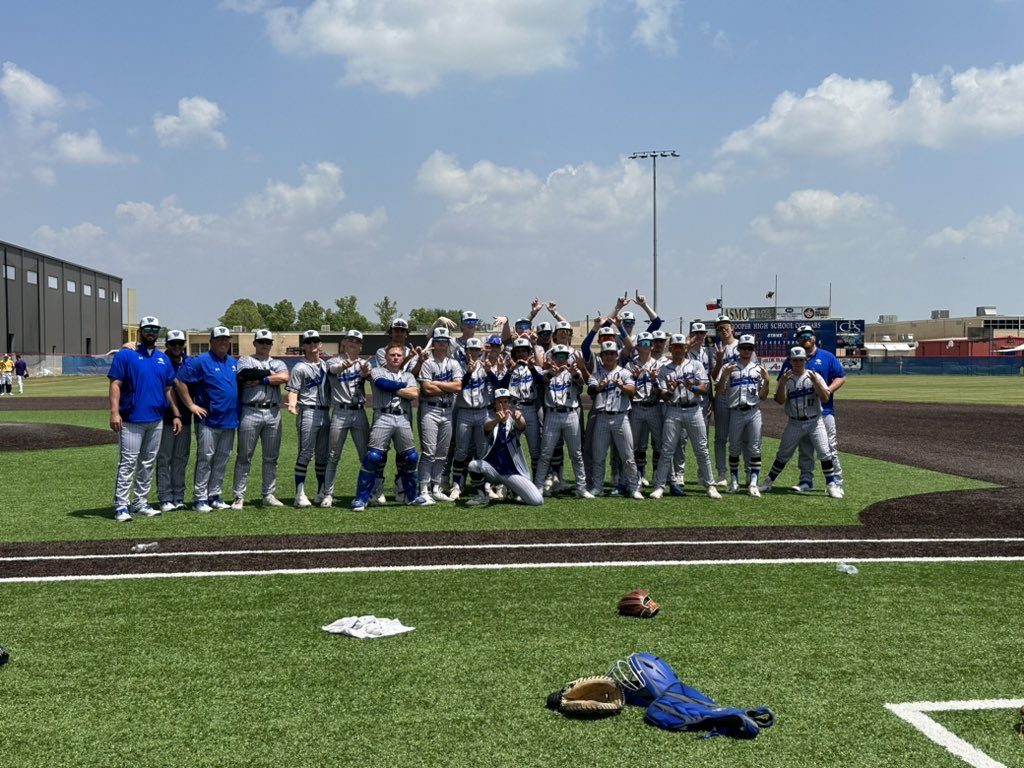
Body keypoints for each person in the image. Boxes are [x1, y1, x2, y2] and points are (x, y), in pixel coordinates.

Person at [108, 316, 181, 522]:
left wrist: (176, 413)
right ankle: (122, 505)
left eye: (155, 329)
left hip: (156, 419)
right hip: (131, 419)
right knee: (128, 462)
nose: (151, 332)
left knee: (148, 463)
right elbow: (115, 384)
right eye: (147, 328)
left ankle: (140, 502)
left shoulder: (163, 359)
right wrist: (115, 412)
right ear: (140, 331)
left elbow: (168, 389)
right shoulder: (125, 356)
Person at [351, 343, 430, 511]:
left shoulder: (408, 375)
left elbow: (414, 394)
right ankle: (361, 498)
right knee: (373, 457)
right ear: (386, 357)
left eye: (398, 355)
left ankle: (411, 495)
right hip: (383, 416)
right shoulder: (378, 371)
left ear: (402, 358)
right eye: (392, 355)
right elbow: (382, 384)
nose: (395, 358)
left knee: (411, 457)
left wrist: (398, 389)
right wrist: (403, 389)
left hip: (402, 417)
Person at [759, 346, 844, 498]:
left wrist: (817, 383)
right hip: (795, 423)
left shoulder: (814, 375)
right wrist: (783, 383)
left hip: (815, 421)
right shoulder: (786, 378)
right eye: (795, 360)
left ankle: (831, 484)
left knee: (825, 452)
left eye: (800, 360)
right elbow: (779, 400)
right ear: (790, 361)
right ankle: (768, 481)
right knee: (783, 453)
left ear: (805, 360)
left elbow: (825, 398)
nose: (798, 363)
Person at [174, 326, 240, 512]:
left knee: (222, 459)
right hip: (209, 420)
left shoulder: (233, 362)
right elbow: (179, 381)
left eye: (226, 339)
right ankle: (200, 498)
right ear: (211, 342)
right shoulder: (201, 361)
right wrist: (191, 405)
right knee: (205, 459)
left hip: (229, 420)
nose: (223, 342)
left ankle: (215, 495)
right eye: (219, 339)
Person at [649, 334, 721, 500]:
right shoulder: (664, 369)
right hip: (673, 409)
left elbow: (705, 388)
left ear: (685, 348)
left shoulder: (695, 365)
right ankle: (660, 486)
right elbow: (663, 396)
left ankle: (710, 485)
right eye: (675, 347)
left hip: (694, 409)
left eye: (681, 347)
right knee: (667, 450)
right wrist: (670, 390)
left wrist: (693, 388)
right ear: (671, 348)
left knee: (701, 449)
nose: (678, 350)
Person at [783, 325, 847, 493]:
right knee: (804, 448)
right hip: (801, 413)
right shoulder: (792, 358)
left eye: (808, 335)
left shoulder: (826, 356)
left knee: (830, 448)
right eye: (802, 336)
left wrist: (828, 390)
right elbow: (784, 384)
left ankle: (836, 483)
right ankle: (806, 480)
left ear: (814, 337)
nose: (806, 338)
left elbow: (841, 376)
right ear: (797, 339)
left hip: (824, 411)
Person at [231, 329, 290, 509]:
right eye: (261, 342)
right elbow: (245, 374)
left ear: (271, 344)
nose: (264, 345)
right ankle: (239, 496)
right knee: (244, 456)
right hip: (251, 411)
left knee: (271, 457)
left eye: (267, 342)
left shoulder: (278, 362)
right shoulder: (245, 359)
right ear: (255, 343)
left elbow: (284, 377)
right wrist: (268, 374)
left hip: (273, 412)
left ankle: (268, 494)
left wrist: (261, 379)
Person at [466, 388, 544, 507]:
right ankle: (482, 496)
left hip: (511, 473)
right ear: (494, 404)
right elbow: (486, 427)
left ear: (510, 403)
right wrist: (497, 420)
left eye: (506, 402)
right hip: (492, 470)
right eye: (500, 402)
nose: (503, 405)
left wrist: (519, 419)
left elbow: (522, 426)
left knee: (537, 501)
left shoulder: (514, 419)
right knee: (473, 465)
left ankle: (514, 489)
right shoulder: (490, 418)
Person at [321, 329, 372, 508]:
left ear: (360, 346)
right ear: (343, 343)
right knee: (333, 455)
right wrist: (345, 365)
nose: (353, 343)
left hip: (359, 411)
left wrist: (365, 372)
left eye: (357, 341)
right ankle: (328, 494)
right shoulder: (333, 361)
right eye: (350, 340)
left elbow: (367, 375)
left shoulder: (364, 363)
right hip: (340, 412)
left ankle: (369, 492)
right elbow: (333, 369)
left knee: (365, 455)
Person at [533, 344, 592, 498]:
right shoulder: (548, 371)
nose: (561, 359)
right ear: (552, 358)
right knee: (546, 453)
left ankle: (581, 487)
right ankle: (539, 486)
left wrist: (575, 374)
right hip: (552, 414)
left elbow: (581, 382)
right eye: (558, 356)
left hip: (570, 413)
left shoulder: (573, 371)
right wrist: (552, 373)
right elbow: (542, 380)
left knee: (576, 454)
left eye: (563, 356)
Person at [587, 341, 642, 498]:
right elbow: (591, 389)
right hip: (602, 417)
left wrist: (622, 387)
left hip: (620, 417)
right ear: (602, 356)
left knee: (628, 456)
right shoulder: (597, 374)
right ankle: (598, 487)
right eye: (606, 354)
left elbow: (632, 390)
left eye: (612, 353)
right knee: (598, 456)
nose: (609, 356)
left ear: (617, 356)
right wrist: (599, 387)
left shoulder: (624, 372)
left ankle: (634, 487)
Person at [717, 334, 769, 496]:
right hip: (736, 412)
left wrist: (767, 381)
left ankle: (753, 482)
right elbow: (719, 391)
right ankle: (734, 481)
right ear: (738, 349)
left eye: (750, 348)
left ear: (753, 350)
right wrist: (724, 376)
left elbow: (763, 396)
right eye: (744, 348)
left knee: (754, 447)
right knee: (734, 447)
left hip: (753, 411)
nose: (746, 351)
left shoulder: (758, 369)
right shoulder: (729, 367)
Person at [286, 329, 332, 508]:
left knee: (322, 455)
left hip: (325, 412)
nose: (313, 344)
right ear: (304, 345)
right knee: (305, 453)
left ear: (320, 344)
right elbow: (293, 390)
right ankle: (300, 493)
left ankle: (321, 491)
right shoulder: (300, 367)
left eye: (316, 341)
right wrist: (292, 405)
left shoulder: (327, 366)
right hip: (308, 411)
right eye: (309, 341)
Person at [417, 327, 463, 502]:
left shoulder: (454, 363)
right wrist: (446, 386)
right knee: (428, 451)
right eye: (439, 341)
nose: (442, 344)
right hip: (430, 409)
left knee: (442, 452)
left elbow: (458, 387)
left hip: (448, 410)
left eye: (445, 341)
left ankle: (435, 488)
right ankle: (423, 489)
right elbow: (427, 389)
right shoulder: (428, 363)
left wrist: (437, 383)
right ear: (433, 343)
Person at [156, 330, 192, 512]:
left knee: (180, 458)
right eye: (173, 344)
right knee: (164, 458)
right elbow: (167, 389)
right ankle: (165, 497)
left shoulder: (189, 362)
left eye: (180, 344)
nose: (177, 347)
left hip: (185, 418)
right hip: (165, 418)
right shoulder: (160, 361)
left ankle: (178, 496)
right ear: (167, 345)